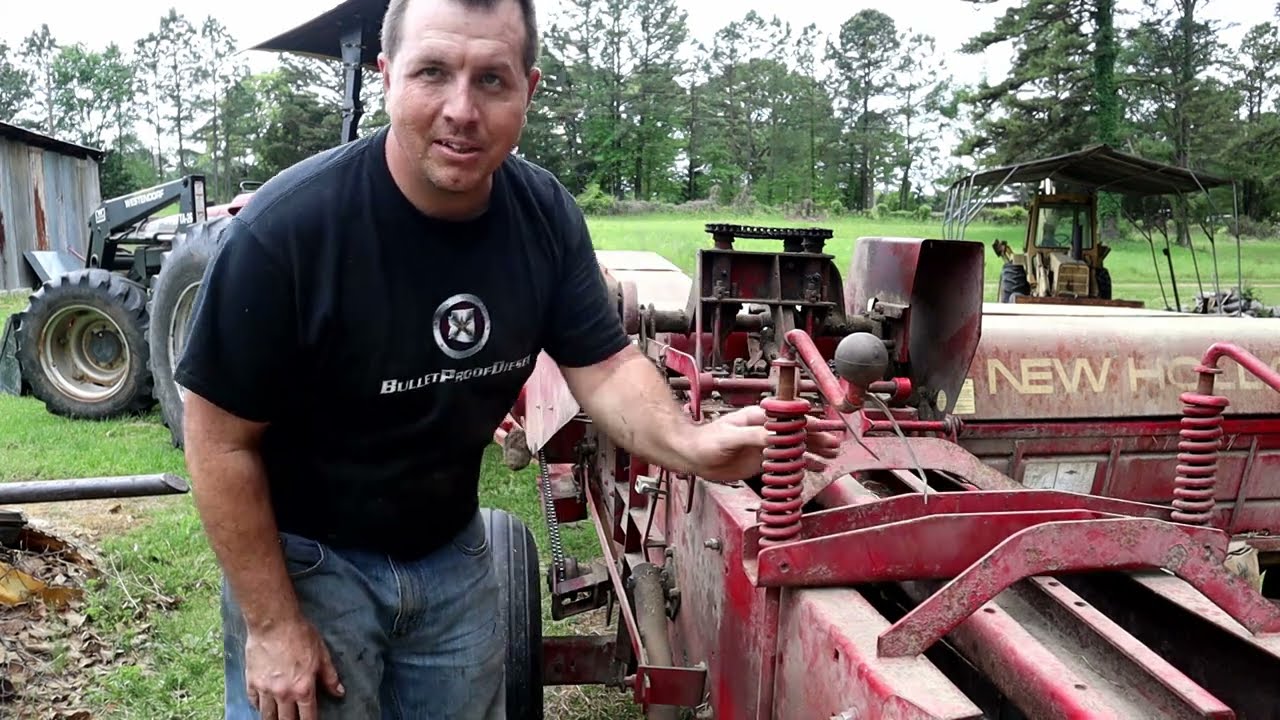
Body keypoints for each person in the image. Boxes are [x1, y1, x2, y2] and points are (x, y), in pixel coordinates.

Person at [176, 0, 839, 718]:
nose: (462, 110)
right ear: (387, 76)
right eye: (433, 72)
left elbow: (606, 367)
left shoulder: (542, 216)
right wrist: (272, 624)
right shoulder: (288, 232)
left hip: (452, 555)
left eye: (492, 79)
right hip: (311, 563)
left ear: (529, 88)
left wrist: (692, 444)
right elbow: (218, 439)